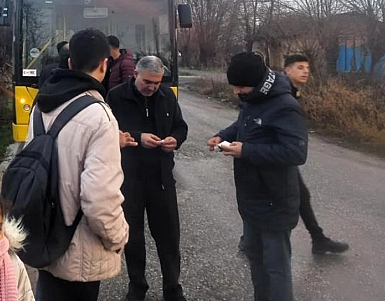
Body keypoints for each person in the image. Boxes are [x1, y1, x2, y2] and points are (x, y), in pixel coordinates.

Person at [30, 28, 129, 301]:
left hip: (45, 235)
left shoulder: (41, 106)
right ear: (104, 64)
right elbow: (99, 200)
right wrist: (118, 238)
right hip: (79, 251)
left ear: (70, 62)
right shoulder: (100, 116)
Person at [207, 52, 308, 301]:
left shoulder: (285, 106)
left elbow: (296, 152)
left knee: (276, 267)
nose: (236, 92)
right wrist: (223, 135)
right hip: (251, 197)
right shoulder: (253, 98)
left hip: (275, 200)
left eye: (240, 87)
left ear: (257, 82)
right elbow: (244, 125)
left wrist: (246, 150)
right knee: (254, 256)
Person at [106, 56, 189, 301]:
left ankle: (172, 288)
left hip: (161, 179)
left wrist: (176, 139)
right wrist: (138, 137)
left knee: (169, 237)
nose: (152, 87)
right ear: (136, 75)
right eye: (147, 82)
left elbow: (181, 126)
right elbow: (108, 132)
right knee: (133, 238)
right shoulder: (116, 96)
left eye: (156, 82)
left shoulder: (166, 96)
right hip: (129, 179)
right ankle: (137, 286)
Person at [284, 54, 349, 254]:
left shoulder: (292, 91)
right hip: (278, 154)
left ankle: (318, 239)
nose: (305, 71)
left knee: (300, 196)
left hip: (283, 153)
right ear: (287, 70)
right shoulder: (282, 92)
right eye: (300, 67)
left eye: (307, 68)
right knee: (290, 198)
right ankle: (252, 241)